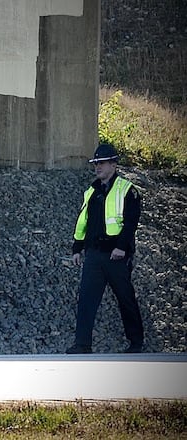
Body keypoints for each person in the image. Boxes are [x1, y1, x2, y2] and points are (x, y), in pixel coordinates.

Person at [67, 143, 144, 354]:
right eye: (95, 164)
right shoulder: (91, 192)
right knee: (86, 300)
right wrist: (77, 248)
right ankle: (82, 344)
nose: (97, 167)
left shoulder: (128, 190)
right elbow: (83, 221)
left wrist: (121, 247)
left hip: (116, 256)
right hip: (94, 255)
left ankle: (136, 342)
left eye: (101, 163)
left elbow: (130, 223)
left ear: (113, 164)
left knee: (125, 298)